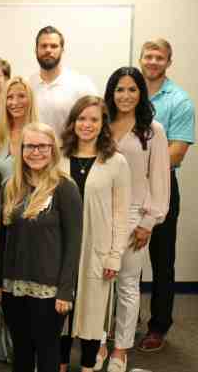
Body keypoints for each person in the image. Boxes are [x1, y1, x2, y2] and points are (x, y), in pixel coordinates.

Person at [0, 122, 82, 372]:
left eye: (43, 146)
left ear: (53, 150)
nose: (36, 152)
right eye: (29, 146)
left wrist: (66, 290)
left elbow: (74, 243)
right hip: (13, 285)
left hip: (50, 290)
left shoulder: (65, 187)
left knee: (47, 349)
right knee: (20, 348)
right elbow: (0, 239)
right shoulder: (10, 186)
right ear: (21, 150)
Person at [97, 67, 170, 372]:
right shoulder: (99, 124)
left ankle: (121, 349)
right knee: (99, 283)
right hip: (100, 214)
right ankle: (98, 342)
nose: (125, 96)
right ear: (110, 93)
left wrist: (149, 222)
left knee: (127, 284)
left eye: (132, 89)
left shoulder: (152, 130)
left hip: (133, 217)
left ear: (141, 93)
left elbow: (160, 181)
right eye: (119, 90)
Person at [58, 96, 131, 372]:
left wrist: (115, 256)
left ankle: (88, 367)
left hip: (97, 250)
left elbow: (121, 215)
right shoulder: (59, 158)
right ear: (73, 122)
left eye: (94, 119)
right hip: (62, 248)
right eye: (81, 118)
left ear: (103, 125)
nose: (86, 125)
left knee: (92, 312)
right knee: (61, 312)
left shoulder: (116, 162)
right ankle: (61, 365)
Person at [137, 39, 195, 353]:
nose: (153, 61)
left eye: (160, 57)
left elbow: (176, 151)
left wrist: (137, 164)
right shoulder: (128, 90)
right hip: (128, 188)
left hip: (163, 188)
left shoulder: (180, 101)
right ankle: (126, 318)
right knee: (125, 259)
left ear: (168, 62)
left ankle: (158, 326)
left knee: (162, 261)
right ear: (141, 59)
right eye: (149, 56)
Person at [29, 26, 97, 135]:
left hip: (70, 151)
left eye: (54, 46)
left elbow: (96, 121)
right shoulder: (28, 85)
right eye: (43, 46)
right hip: (36, 151)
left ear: (62, 50)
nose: (48, 50)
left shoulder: (82, 84)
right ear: (36, 49)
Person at [0, 77, 40, 185]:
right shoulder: (0, 134)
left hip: (35, 199)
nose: (15, 102)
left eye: (21, 96)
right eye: (10, 97)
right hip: (5, 200)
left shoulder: (41, 134)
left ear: (30, 99)